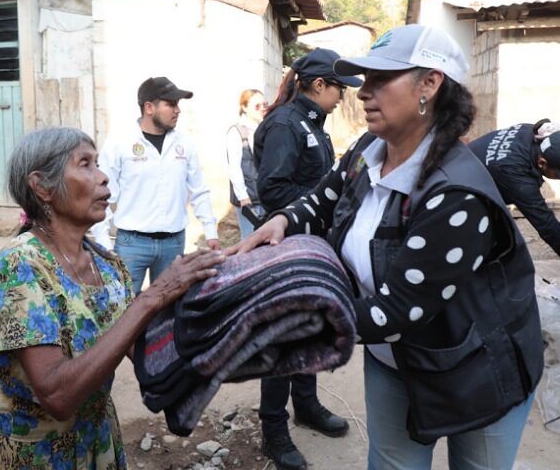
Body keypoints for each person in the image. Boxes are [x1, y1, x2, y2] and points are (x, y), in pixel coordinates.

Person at [234, 24, 542, 470]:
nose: (363, 92)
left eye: (381, 78)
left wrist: (279, 320)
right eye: (365, 79)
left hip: (479, 367)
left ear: (429, 84)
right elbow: (324, 197)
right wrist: (282, 221)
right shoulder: (370, 149)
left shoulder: (456, 194)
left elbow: (397, 311)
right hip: (394, 358)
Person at [0, 127, 225, 469]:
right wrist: (152, 298)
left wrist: (232, 315)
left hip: (93, 444)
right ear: (42, 187)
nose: (103, 177)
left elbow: (146, 354)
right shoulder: (19, 267)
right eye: (85, 164)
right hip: (29, 456)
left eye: (98, 163)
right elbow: (58, 396)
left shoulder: (107, 266)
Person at [250, 47, 361, 470]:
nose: (342, 96)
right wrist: (325, 203)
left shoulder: (312, 123)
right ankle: (273, 429)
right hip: (288, 246)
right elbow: (273, 189)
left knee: (309, 331)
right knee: (283, 339)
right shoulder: (285, 124)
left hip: (311, 245)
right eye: (339, 89)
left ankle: (307, 405)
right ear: (319, 85)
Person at [92, 77, 221, 294]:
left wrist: (211, 232)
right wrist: (103, 243)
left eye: (178, 104)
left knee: (168, 307)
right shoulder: (119, 144)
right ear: (149, 107)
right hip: (132, 244)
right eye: (171, 104)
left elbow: (199, 191)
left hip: (173, 243)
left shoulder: (185, 145)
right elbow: (101, 196)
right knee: (123, 305)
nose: (178, 110)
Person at [468, 120, 560, 260]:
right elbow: (547, 226)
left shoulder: (538, 135)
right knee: (497, 250)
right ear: (542, 163)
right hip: (463, 199)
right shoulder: (514, 173)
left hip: (476, 176)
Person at [226, 88, 266, 236]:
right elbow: (234, 168)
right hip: (249, 197)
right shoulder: (236, 132)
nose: (262, 108)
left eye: (264, 104)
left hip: (265, 196)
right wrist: (243, 197)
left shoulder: (264, 128)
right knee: (250, 239)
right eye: (257, 106)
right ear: (244, 107)